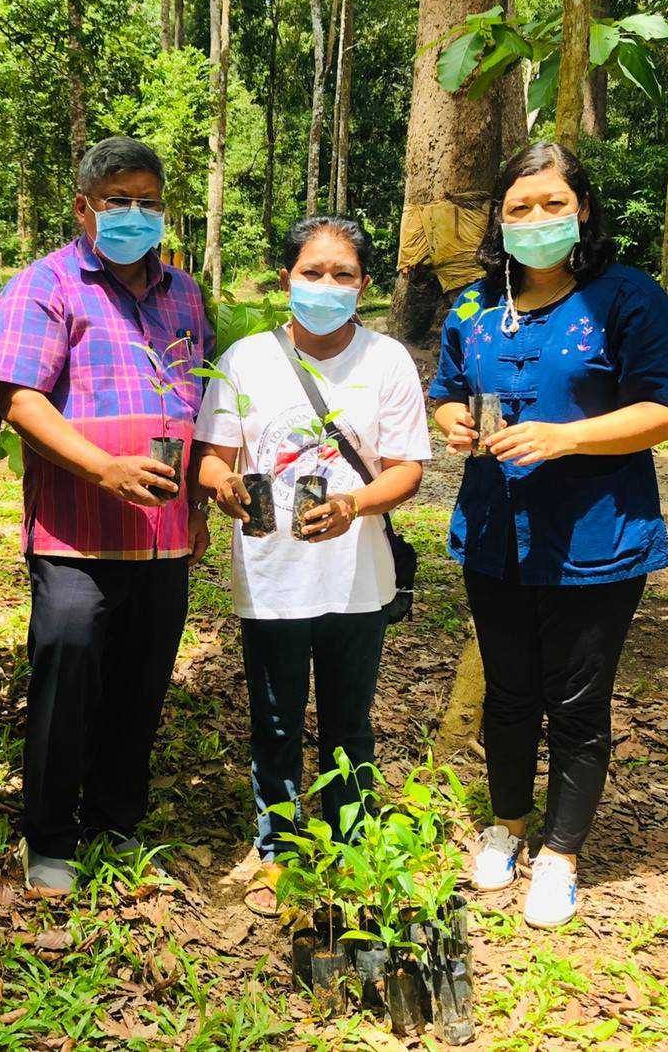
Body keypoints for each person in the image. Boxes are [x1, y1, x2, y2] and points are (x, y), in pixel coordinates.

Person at [428, 141, 668, 929]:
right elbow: (446, 392)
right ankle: (507, 826)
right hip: (494, 534)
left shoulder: (627, 299)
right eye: (519, 207)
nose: (536, 219)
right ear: (498, 220)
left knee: (577, 702)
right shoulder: (474, 306)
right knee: (509, 692)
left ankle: (561, 855)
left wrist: (562, 438)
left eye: (552, 203)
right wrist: (453, 425)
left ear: (582, 211)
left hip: (596, 538)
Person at [0, 136, 213, 894]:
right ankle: (49, 837)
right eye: (119, 200)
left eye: (149, 200)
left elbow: (193, 401)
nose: (136, 213)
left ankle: (116, 822)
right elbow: (20, 401)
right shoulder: (44, 286)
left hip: (164, 536)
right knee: (67, 682)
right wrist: (106, 468)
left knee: (142, 683)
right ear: (84, 206)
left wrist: (200, 502)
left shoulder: (184, 292)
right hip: (76, 537)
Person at [193, 217, 429, 916]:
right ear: (286, 278)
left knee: (349, 720)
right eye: (313, 272)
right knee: (274, 716)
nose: (327, 286)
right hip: (271, 573)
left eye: (344, 274)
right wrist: (220, 485)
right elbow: (213, 451)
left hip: (358, 577)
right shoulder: (245, 361)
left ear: (364, 284)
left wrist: (354, 503)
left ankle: (351, 840)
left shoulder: (386, 361)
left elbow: (408, 469)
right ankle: (277, 845)